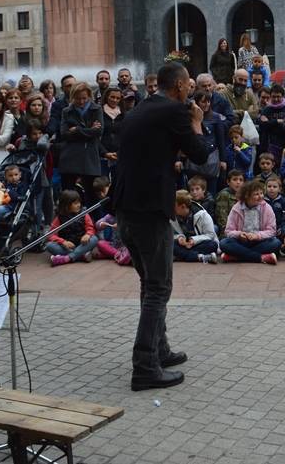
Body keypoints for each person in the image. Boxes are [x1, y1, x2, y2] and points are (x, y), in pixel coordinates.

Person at [110, 61, 208, 390]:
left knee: (149, 283)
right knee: (158, 288)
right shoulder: (175, 111)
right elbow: (200, 155)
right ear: (179, 85)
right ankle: (145, 366)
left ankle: (159, 349)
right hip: (149, 211)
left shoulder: (140, 109)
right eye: (189, 83)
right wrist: (197, 122)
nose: (190, 89)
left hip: (126, 209)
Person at [59, 82, 104, 204]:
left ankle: (92, 216)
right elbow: (64, 134)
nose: (81, 101)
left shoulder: (96, 109)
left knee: (92, 195)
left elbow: (98, 132)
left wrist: (77, 130)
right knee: (68, 195)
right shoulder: (66, 111)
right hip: (70, 157)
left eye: (84, 98)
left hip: (89, 157)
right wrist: (89, 130)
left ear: (89, 96)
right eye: (78, 98)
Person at [220, 180, 280, 264]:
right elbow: (228, 231)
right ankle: (261, 257)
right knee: (224, 243)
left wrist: (257, 236)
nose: (260, 196)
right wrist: (239, 234)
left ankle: (236, 257)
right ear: (247, 196)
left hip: (259, 242)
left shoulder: (267, 208)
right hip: (241, 242)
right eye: (256, 194)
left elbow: (272, 231)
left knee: (276, 243)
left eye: (261, 193)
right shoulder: (236, 208)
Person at [46, 189, 99, 266]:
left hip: (82, 244)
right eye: (75, 203)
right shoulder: (59, 217)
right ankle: (81, 256)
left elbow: (90, 228)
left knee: (94, 239)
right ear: (66, 205)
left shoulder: (84, 214)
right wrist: (63, 242)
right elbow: (51, 235)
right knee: (49, 245)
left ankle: (67, 258)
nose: (79, 205)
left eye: (79, 202)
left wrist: (87, 235)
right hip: (67, 247)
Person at [170, 190, 219, 264]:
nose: (171, 208)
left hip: (197, 244)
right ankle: (200, 257)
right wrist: (179, 237)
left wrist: (193, 240)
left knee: (213, 245)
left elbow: (210, 235)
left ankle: (181, 255)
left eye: (174, 206)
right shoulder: (172, 216)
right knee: (170, 244)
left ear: (183, 206)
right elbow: (170, 235)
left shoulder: (202, 215)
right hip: (182, 245)